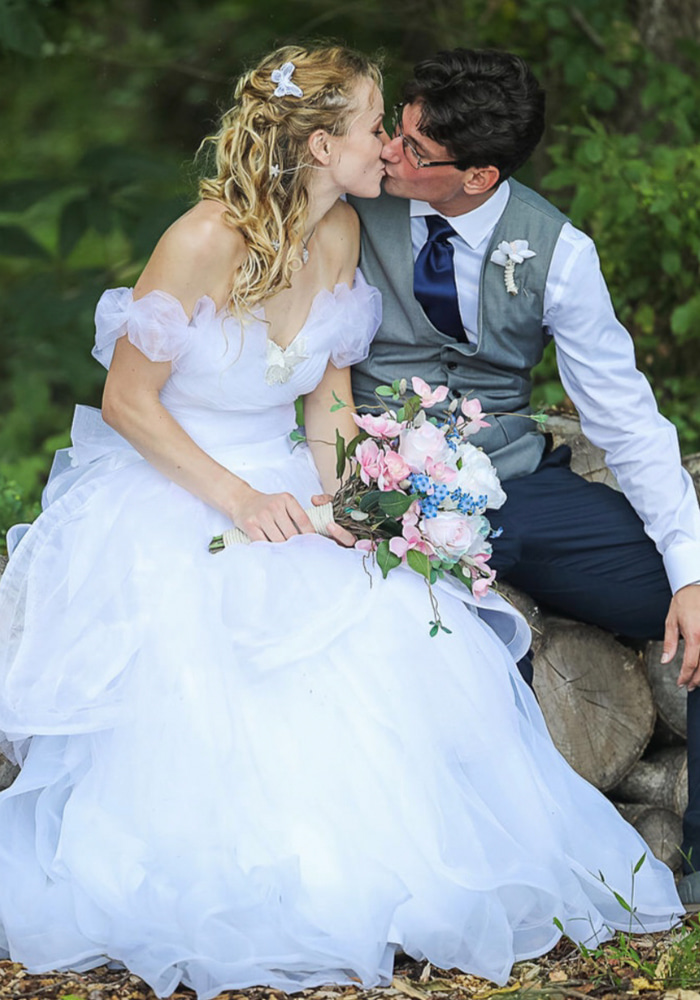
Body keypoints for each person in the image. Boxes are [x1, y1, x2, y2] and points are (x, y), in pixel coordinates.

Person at [0, 43, 683, 1000]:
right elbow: (128, 404)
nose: (392, 152)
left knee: (386, 627)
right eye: (379, 129)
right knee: (227, 644)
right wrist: (242, 501)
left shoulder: (354, 239)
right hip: (179, 489)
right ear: (324, 146)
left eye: (407, 139)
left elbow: (328, 394)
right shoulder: (201, 241)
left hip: (326, 481)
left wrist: (343, 502)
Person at [348, 46, 700, 906]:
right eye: (397, 130)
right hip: (359, 481)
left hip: (510, 488)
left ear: (479, 175)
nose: (391, 152)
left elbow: (625, 419)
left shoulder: (557, 253)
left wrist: (690, 571)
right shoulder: (348, 203)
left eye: (415, 150)